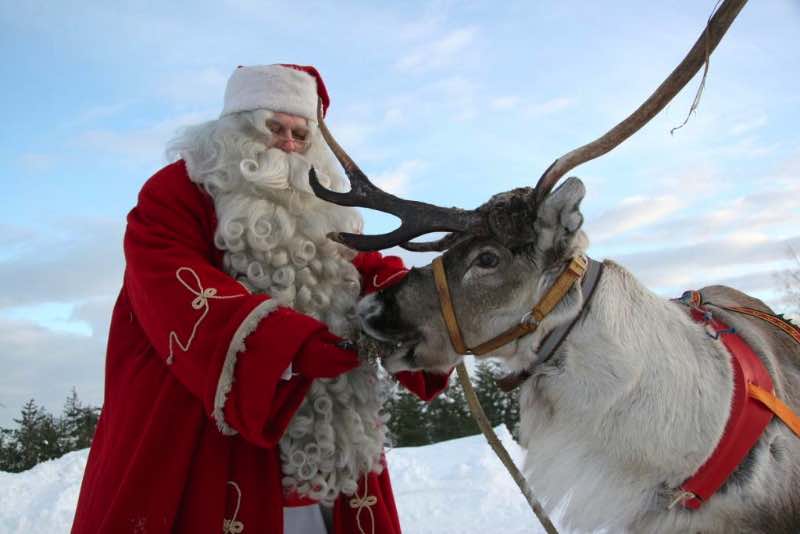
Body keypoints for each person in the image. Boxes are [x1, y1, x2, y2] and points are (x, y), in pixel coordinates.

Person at [71, 64, 450, 534]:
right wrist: (289, 346)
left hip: (331, 446)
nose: (288, 144)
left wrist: (423, 303)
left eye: (300, 134)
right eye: (275, 128)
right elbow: (168, 283)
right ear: (235, 129)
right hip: (208, 435)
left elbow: (363, 268)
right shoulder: (177, 192)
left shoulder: (324, 204)